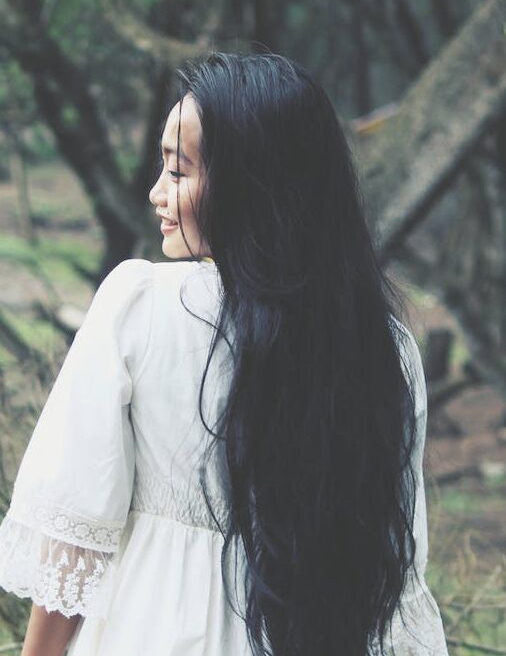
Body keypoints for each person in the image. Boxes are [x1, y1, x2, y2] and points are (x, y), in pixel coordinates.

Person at [0, 51, 449, 655]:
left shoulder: (141, 306)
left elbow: (74, 533)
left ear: (250, 183)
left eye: (179, 172)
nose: (157, 193)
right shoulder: (383, 349)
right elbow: (395, 578)